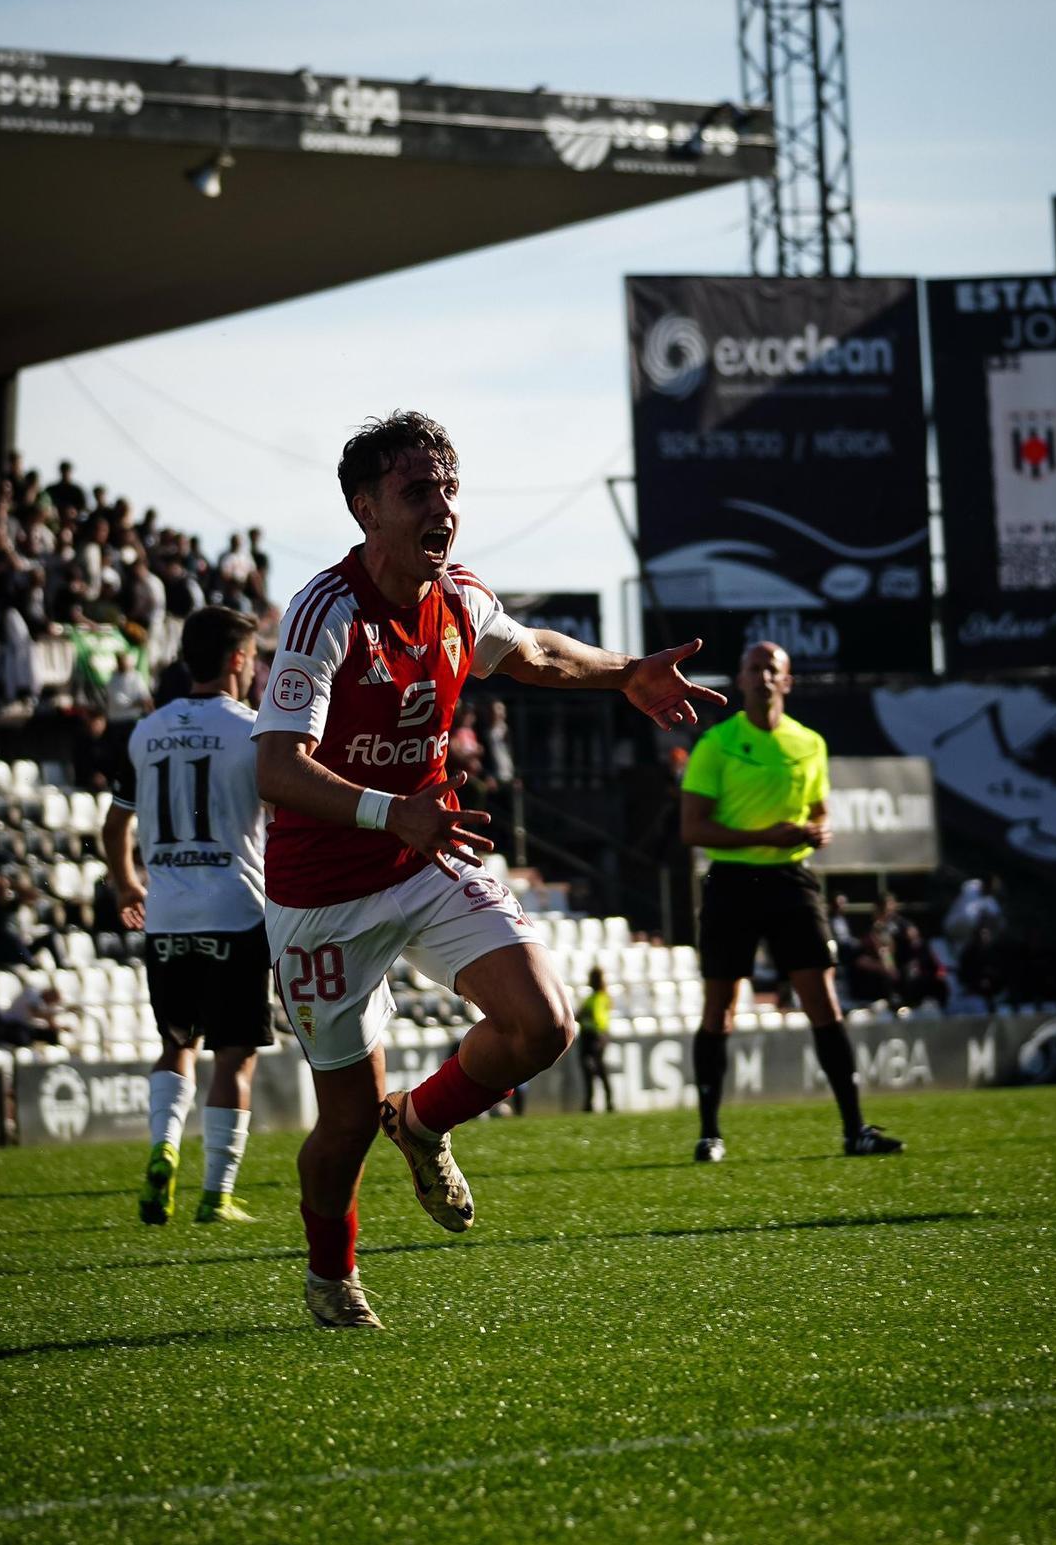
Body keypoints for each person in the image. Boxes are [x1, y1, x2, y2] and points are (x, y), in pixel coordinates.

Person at [253, 408, 724, 1331]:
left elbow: (537, 652)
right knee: (343, 1121)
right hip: (321, 895)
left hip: (427, 854)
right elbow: (274, 767)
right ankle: (330, 1276)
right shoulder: (326, 610)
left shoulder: (460, 595)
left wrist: (626, 671)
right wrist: (397, 810)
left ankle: (423, 1120)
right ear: (364, 509)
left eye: (449, 489)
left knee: (544, 1022)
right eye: (417, 490)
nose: (443, 506)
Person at [680, 641, 903, 1162]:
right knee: (720, 1011)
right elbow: (693, 828)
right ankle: (709, 1133)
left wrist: (816, 830)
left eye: (771, 668)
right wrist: (768, 835)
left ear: (787, 681)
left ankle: (855, 1130)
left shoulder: (810, 743)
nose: (762, 676)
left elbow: (821, 811)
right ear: (740, 680)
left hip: (792, 882)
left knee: (823, 1001)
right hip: (732, 882)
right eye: (753, 667)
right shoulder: (716, 743)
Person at [102, 606, 269, 1228]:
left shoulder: (146, 732)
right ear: (235, 660)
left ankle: (161, 1149)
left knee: (176, 1044)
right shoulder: (253, 731)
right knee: (235, 1057)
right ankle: (215, 1194)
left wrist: (126, 884)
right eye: (252, 660)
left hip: (168, 916)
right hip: (236, 911)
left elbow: (115, 822)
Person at [576, 965, 614, 1113]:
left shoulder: (599, 998)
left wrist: (584, 1016)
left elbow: (594, 1017)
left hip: (596, 1036)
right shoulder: (595, 998)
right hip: (593, 1035)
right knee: (595, 1068)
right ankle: (597, 1102)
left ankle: (600, 1102)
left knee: (594, 1067)